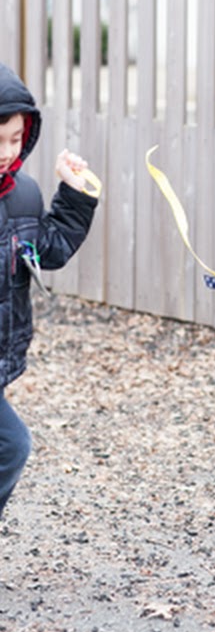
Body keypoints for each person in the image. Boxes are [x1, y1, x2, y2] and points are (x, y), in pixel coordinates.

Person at [0, 62, 99, 520]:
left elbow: (48, 250)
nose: (6, 151)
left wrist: (74, 195)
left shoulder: (22, 194)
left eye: (16, 139)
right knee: (12, 446)